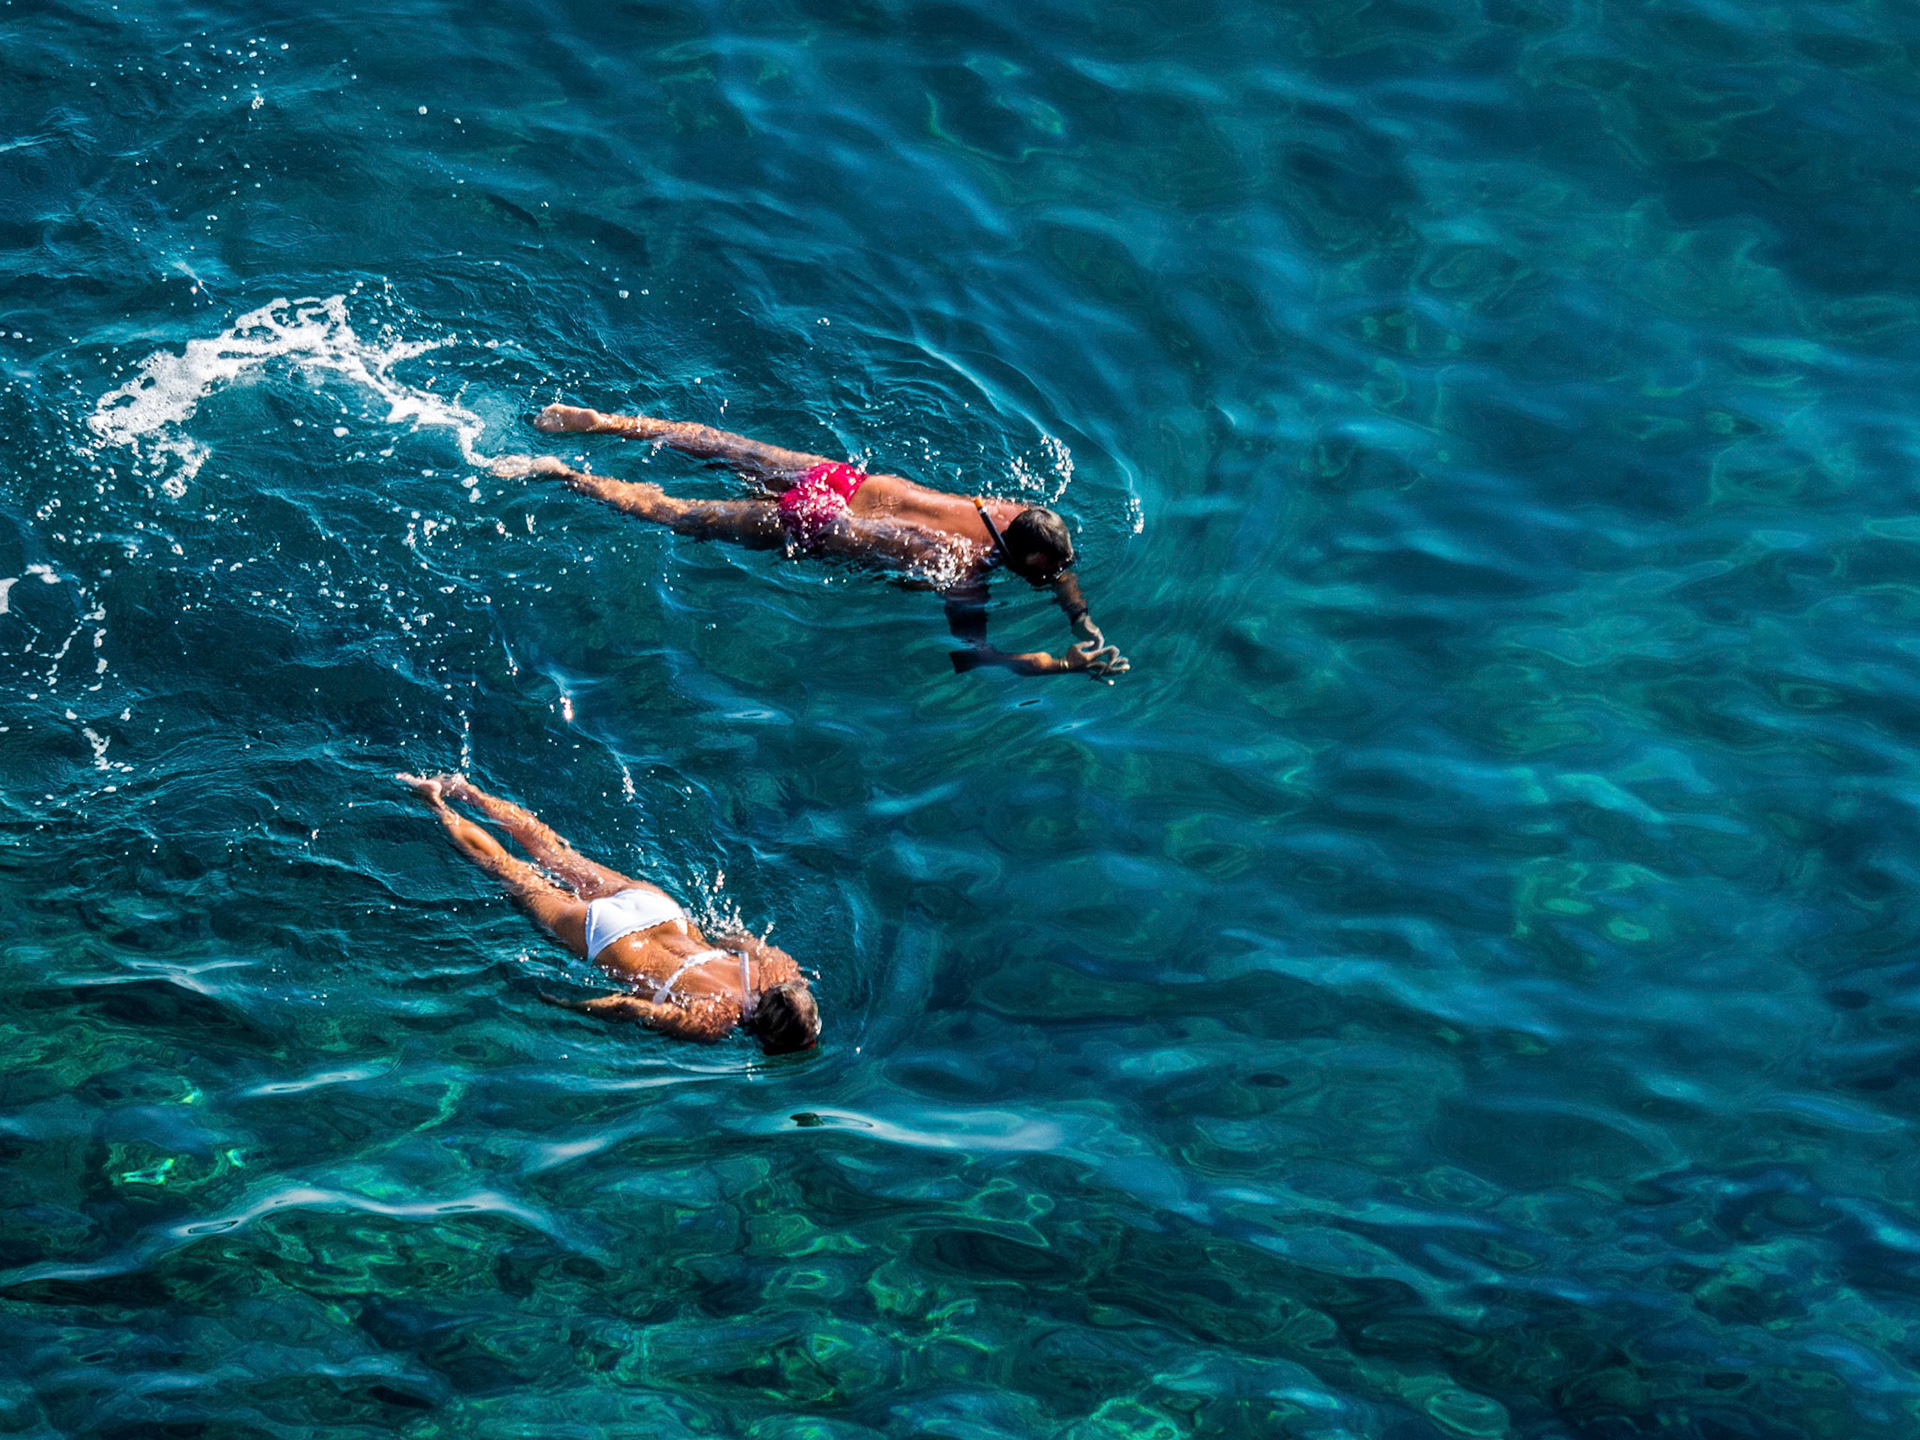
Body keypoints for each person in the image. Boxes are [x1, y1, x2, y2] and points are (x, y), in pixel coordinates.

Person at [493, 403, 1130, 679]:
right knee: (681, 514)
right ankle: (568, 475)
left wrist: (1079, 615)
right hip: (821, 525)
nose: (1051, 581)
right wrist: (1063, 662)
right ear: (1019, 559)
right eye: (1044, 575)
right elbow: (975, 655)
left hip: (841, 481)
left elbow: (1050, 558)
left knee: (716, 444)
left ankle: (602, 422)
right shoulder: (964, 567)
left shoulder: (1010, 512)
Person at [397, 771, 820, 1054]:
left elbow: (733, 937)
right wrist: (569, 1005)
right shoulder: (713, 1024)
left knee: (552, 851)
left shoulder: (777, 968)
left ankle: (463, 789)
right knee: (510, 871)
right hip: (616, 943)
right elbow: (631, 1008)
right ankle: (436, 804)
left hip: (660, 913)